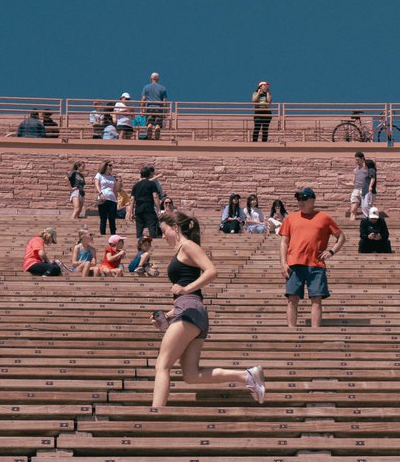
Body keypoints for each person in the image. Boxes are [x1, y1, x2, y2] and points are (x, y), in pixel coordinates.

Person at [151, 210, 265, 407]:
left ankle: (155, 414)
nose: (162, 236)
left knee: (162, 365)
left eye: (164, 230)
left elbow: (212, 271)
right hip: (191, 312)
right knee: (191, 375)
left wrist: (186, 288)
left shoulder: (187, 246)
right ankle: (247, 376)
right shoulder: (182, 250)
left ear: (176, 228)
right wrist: (168, 315)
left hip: (190, 311)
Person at [280, 187, 345, 329]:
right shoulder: (290, 218)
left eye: (304, 199)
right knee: (292, 298)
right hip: (294, 263)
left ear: (312, 200)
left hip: (316, 265)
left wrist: (331, 251)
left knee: (316, 299)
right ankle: (291, 331)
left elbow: (341, 237)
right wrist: (283, 263)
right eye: (298, 199)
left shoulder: (324, 217)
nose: (300, 202)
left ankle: (315, 332)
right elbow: (284, 242)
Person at [131, 166, 162, 241]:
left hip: (138, 209)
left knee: (139, 229)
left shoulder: (136, 185)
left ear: (141, 175)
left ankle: (138, 243)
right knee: (151, 227)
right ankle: (154, 241)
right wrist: (158, 209)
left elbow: (132, 199)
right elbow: (155, 196)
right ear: (149, 175)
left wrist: (131, 212)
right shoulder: (151, 184)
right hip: (148, 208)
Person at [141, 72, 168, 140]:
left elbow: (143, 99)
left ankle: (150, 126)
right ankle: (157, 127)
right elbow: (165, 101)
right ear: (158, 79)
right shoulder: (162, 88)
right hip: (159, 109)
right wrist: (165, 111)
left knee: (149, 121)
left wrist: (141, 108)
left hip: (149, 108)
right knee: (158, 123)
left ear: (151, 78)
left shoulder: (146, 87)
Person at [95, 161, 119, 237]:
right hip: (103, 199)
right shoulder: (99, 175)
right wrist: (100, 193)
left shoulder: (112, 177)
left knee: (112, 218)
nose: (111, 166)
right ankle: (103, 234)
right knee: (103, 218)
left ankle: (113, 234)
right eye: (109, 165)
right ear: (105, 166)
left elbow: (114, 188)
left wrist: (116, 198)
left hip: (112, 199)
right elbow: (97, 185)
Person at [350, 152, 377, 218]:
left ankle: (372, 218)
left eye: (358, 159)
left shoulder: (369, 169)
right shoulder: (356, 170)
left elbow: (373, 178)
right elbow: (353, 182)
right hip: (360, 190)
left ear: (362, 159)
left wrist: (370, 186)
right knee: (358, 208)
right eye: (355, 159)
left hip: (366, 190)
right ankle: (367, 219)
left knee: (366, 206)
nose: (356, 161)